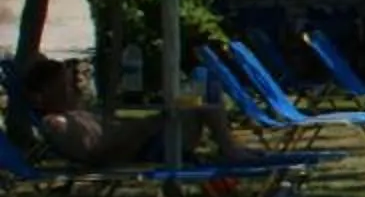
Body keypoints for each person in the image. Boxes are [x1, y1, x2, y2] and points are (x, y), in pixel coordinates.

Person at [24, 55, 247, 168]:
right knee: (204, 87)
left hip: (154, 134)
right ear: (43, 95)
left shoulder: (75, 115)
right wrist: (143, 131)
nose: (72, 87)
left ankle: (229, 148)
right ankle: (229, 150)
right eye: (63, 85)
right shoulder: (57, 123)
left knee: (202, 83)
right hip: (151, 147)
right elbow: (99, 153)